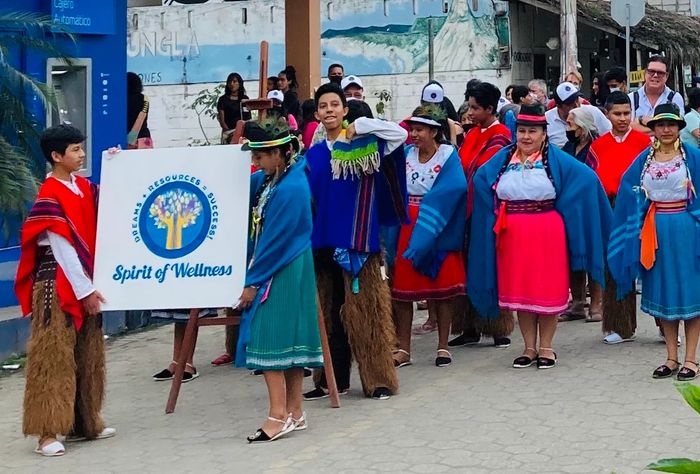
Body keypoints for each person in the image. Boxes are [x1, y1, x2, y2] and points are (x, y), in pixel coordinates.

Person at [468, 104, 612, 369]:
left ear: (544, 134)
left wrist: (567, 206)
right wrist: (494, 211)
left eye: (532, 131)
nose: (526, 137)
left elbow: (588, 179)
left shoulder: (556, 159)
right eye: (522, 130)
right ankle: (528, 347)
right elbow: (479, 179)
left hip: (547, 231)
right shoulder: (503, 159)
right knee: (521, 293)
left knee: (546, 290)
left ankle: (546, 347)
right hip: (511, 234)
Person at [15, 124, 116, 457]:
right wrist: (85, 291)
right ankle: (46, 433)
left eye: (81, 148)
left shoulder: (81, 186)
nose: (81, 153)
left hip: (84, 280)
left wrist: (118, 167)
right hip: (55, 285)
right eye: (74, 149)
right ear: (56, 156)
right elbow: (63, 249)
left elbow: (115, 198)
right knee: (52, 358)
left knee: (88, 354)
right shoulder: (50, 194)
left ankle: (85, 422)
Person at [304, 83, 407, 401]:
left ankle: (378, 380)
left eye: (335, 104)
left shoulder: (365, 145)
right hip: (323, 243)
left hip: (359, 240)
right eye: (323, 106)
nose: (329, 110)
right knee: (329, 313)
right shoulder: (315, 154)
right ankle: (330, 380)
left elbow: (399, 136)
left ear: (345, 110)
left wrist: (363, 125)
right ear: (318, 113)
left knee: (367, 314)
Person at [235, 120, 323, 442]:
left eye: (261, 156)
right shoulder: (278, 179)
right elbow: (239, 182)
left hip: (282, 268)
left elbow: (273, 242)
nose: (255, 163)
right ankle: (295, 412)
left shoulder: (290, 189)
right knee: (292, 342)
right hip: (290, 265)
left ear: (280, 153)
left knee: (268, 337)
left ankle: (277, 415)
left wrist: (252, 283)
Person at [608, 103, 700, 380]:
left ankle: (691, 359)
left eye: (672, 124)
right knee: (664, 292)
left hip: (687, 229)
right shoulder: (644, 159)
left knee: (691, 293)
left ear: (679, 128)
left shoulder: (693, 157)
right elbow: (628, 187)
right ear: (654, 128)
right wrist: (634, 216)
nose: (667, 129)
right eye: (661, 124)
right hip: (654, 230)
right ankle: (671, 357)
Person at [391, 105, 467, 368]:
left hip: (437, 224)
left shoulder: (448, 156)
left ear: (435, 132)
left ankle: (443, 346)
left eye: (420, 129)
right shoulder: (405, 154)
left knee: (440, 291)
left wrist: (432, 212)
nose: (414, 134)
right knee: (403, 291)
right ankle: (404, 348)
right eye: (412, 128)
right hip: (408, 225)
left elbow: (456, 186)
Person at [451, 81, 513, 348]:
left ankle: (497, 326)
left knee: (488, 265)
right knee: (466, 266)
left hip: (488, 212)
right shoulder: (474, 133)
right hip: (468, 211)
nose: (470, 112)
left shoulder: (500, 136)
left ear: (490, 108)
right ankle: (469, 326)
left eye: (475, 108)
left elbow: (485, 175)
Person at [586, 91, 652, 344]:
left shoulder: (644, 143)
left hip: (640, 208)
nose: (623, 118)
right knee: (615, 265)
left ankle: (663, 324)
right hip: (610, 208)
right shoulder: (598, 146)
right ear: (607, 114)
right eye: (617, 114)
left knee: (650, 264)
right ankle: (620, 327)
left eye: (627, 113)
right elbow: (592, 181)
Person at [630, 55, 685, 135]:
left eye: (660, 73)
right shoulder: (632, 98)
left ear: (666, 76)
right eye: (651, 71)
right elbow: (628, 129)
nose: (655, 75)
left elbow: (678, 129)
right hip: (639, 147)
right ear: (645, 73)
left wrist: (639, 121)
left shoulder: (674, 98)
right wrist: (662, 130)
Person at [546, 82, 611, 148]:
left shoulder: (593, 111)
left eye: (577, 100)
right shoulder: (547, 120)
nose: (577, 105)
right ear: (559, 106)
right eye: (570, 103)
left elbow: (611, 136)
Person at [217, 72, 251, 144]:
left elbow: (248, 117)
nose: (232, 84)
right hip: (229, 133)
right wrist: (230, 133)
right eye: (230, 82)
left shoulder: (244, 99)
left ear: (239, 83)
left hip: (244, 133)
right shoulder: (223, 99)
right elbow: (222, 121)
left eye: (234, 81)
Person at [126, 72, 153, 149]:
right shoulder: (144, 99)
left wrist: (130, 140)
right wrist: (131, 139)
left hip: (125, 139)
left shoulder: (120, 100)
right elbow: (140, 118)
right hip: (142, 138)